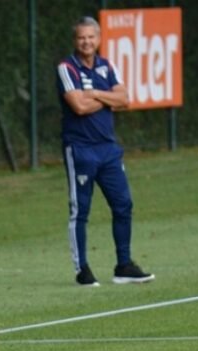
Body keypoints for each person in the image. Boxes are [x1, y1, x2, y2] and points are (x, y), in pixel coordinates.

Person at [56, 16, 155, 286]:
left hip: (109, 150)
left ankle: (123, 265)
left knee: (123, 205)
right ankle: (83, 270)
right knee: (81, 210)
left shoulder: (106, 65)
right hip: (80, 149)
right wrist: (107, 96)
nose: (86, 42)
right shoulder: (67, 68)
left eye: (91, 37)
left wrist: (95, 94)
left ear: (98, 39)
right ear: (75, 41)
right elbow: (78, 106)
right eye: (81, 37)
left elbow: (125, 98)